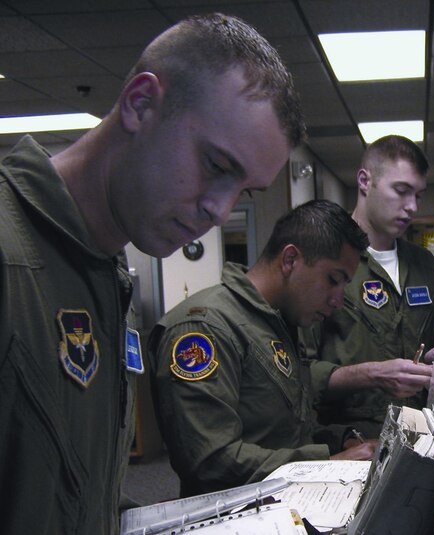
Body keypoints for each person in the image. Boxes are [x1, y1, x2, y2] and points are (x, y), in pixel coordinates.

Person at [0, 13, 303, 534]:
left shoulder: (103, 268)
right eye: (215, 164)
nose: (219, 210)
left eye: (244, 190)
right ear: (141, 104)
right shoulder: (12, 256)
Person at [147, 201, 378, 497]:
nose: (337, 300)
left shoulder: (278, 323)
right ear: (290, 260)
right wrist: (327, 462)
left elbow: (282, 434)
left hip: (285, 504)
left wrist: (343, 440)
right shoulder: (203, 329)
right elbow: (211, 463)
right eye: (332, 280)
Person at [305, 135, 434, 438]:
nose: (412, 206)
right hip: (350, 442)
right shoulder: (322, 260)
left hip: (420, 434)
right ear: (365, 181)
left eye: (418, 195)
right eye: (401, 191)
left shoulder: (424, 264)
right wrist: (372, 374)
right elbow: (297, 372)